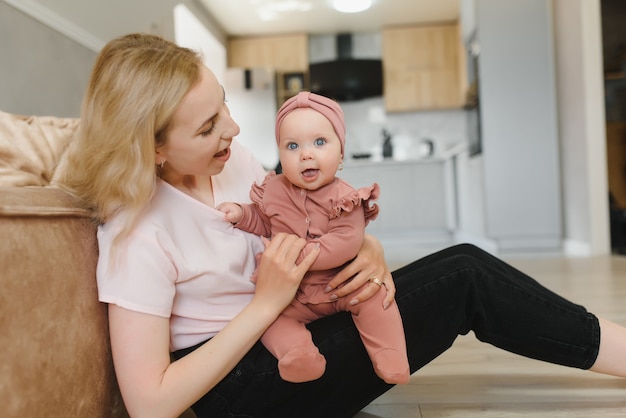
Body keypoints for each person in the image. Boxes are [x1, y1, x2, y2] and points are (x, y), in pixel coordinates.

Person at [54, 33, 626, 418]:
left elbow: (306, 219)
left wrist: (367, 247)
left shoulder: (233, 167)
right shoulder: (136, 236)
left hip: (291, 324)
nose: (231, 129)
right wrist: (262, 306)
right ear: (152, 149)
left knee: (461, 267)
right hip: (240, 388)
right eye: (207, 127)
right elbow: (150, 403)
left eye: (224, 106)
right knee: (466, 276)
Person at [217, 91, 409, 384]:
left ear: (341, 152)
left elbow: (345, 242)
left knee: (377, 297)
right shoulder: (275, 190)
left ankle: (389, 354)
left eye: (320, 143)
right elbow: (265, 220)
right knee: (270, 320)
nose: (306, 154)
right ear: (280, 153)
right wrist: (243, 215)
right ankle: (299, 355)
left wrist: (297, 255)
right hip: (292, 295)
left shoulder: (346, 198)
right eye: (292, 146)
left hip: (340, 284)